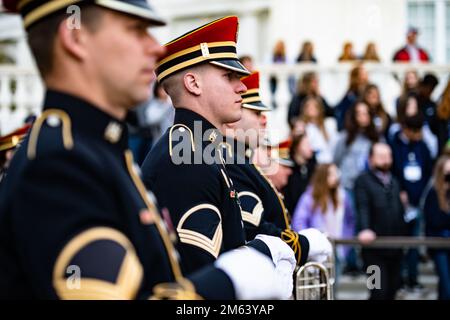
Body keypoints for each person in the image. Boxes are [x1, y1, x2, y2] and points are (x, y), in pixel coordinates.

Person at [0, 2, 294, 300]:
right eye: (136, 30)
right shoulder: (59, 165)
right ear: (76, 38)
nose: (156, 48)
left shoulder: (98, 151)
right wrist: (226, 283)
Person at [140, 17, 296, 279]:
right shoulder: (187, 158)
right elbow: (203, 278)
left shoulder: (200, 149)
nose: (242, 87)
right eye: (229, 76)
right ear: (193, 84)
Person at [221, 71, 332, 266]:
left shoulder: (240, 160)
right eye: (255, 113)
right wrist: (302, 245)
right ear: (232, 117)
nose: (264, 119)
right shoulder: (231, 161)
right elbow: (252, 230)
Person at [354, 143, 407, 300]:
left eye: (388, 156)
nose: (385, 160)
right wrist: (364, 228)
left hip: (394, 248)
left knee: (392, 291)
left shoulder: (394, 182)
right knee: (377, 291)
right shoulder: (362, 181)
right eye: (381, 156)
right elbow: (361, 206)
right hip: (373, 250)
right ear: (371, 159)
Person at [389, 113, 433, 290]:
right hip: (399, 203)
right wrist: (399, 191)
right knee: (399, 243)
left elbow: (429, 170)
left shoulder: (422, 146)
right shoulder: (394, 145)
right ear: (406, 129)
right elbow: (392, 171)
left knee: (414, 243)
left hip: (418, 202)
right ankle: (398, 280)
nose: (418, 134)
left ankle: (413, 278)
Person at [291, 164, 354, 271]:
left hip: (337, 249)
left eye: (336, 173)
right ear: (323, 176)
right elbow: (298, 222)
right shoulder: (309, 197)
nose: (335, 177)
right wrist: (310, 241)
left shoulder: (342, 196)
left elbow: (349, 221)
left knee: (334, 284)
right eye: (331, 174)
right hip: (316, 250)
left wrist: (346, 244)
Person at [423, 154, 450, 300]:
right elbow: (435, 220)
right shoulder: (433, 193)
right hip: (438, 244)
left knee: (444, 287)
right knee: (447, 287)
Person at [283, 133, 317, 214]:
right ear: (297, 147)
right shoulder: (289, 170)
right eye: (306, 144)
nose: (311, 148)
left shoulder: (313, 167)